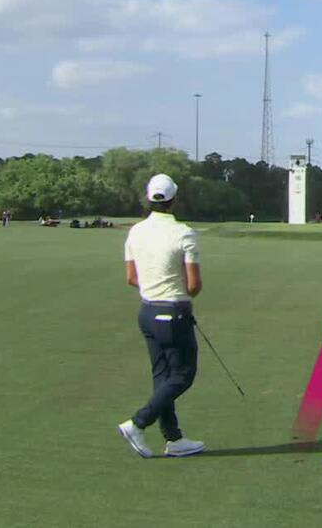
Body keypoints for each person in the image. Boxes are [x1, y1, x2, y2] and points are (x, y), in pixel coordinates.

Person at [116, 173, 205, 459]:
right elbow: (193, 286)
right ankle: (138, 423)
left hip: (147, 312)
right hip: (173, 313)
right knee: (183, 374)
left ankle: (174, 439)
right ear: (174, 200)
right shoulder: (184, 233)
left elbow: (132, 277)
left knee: (163, 377)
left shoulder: (135, 232)